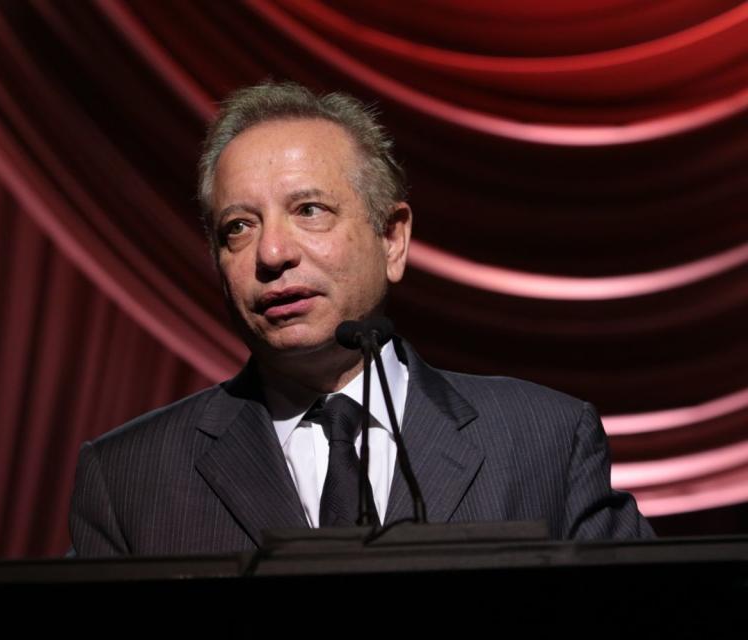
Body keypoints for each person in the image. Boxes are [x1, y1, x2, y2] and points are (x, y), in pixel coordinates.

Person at [69, 81, 654, 557]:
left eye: (309, 210)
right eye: (238, 227)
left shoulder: (543, 441)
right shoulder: (129, 479)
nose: (271, 254)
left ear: (392, 239)